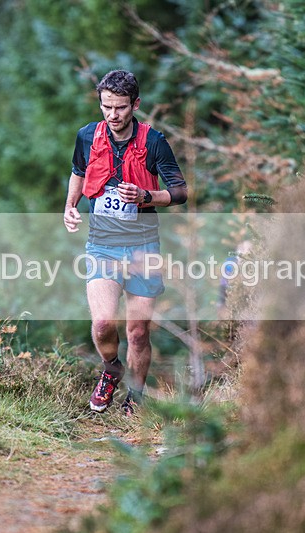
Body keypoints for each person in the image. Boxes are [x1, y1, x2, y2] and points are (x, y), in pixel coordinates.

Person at [63, 70, 188, 416]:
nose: (113, 115)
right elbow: (78, 170)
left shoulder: (154, 142)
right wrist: (70, 206)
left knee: (137, 333)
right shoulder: (87, 136)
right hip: (102, 243)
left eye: (120, 108)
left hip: (143, 248)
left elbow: (180, 192)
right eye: (106, 107)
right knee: (103, 323)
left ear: (136, 104)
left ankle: (135, 396)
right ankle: (111, 368)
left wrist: (148, 196)